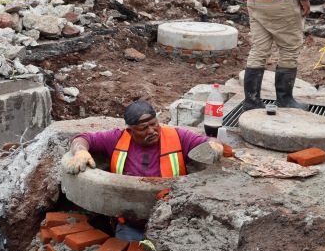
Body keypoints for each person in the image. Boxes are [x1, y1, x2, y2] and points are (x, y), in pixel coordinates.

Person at [64, 99, 223, 241]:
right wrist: (80, 151)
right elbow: (83, 138)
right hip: (130, 224)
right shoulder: (117, 138)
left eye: (154, 124)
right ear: (130, 131)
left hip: (171, 223)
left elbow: (207, 142)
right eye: (143, 128)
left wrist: (215, 144)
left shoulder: (177, 136)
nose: (151, 131)